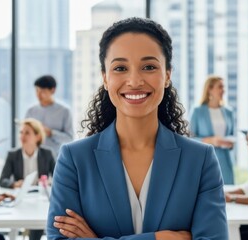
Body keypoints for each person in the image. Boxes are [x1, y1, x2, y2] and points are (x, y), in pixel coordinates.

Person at [47, 17, 228, 240]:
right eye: (120, 68)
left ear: (167, 76)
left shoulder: (200, 160)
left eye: (149, 67)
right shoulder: (74, 159)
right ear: (105, 77)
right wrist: (161, 238)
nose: (134, 80)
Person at [0, 118, 55, 240]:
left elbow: (58, 177)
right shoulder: (13, 155)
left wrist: (48, 182)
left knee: (38, 220)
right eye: (21, 132)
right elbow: (3, 180)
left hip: (40, 198)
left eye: (27, 132)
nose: (22, 136)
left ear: (38, 137)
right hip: (21, 198)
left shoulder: (47, 154)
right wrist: (15, 184)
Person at [189, 75, 235, 184]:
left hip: (225, 160)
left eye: (224, 87)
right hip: (205, 160)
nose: (223, 90)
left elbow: (231, 134)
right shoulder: (197, 111)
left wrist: (230, 143)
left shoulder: (229, 112)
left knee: (226, 193)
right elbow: (189, 139)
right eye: (220, 87)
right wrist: (211, 141)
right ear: (210, 89)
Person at [25, 75, 73, 159]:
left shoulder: (64, 111)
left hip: (56, 158)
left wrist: (51, 133)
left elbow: (69, 139)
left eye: (42, 91)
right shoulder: (31, 111)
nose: (38, 95)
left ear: (52, 90)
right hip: (33, 158)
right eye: (37, 90)